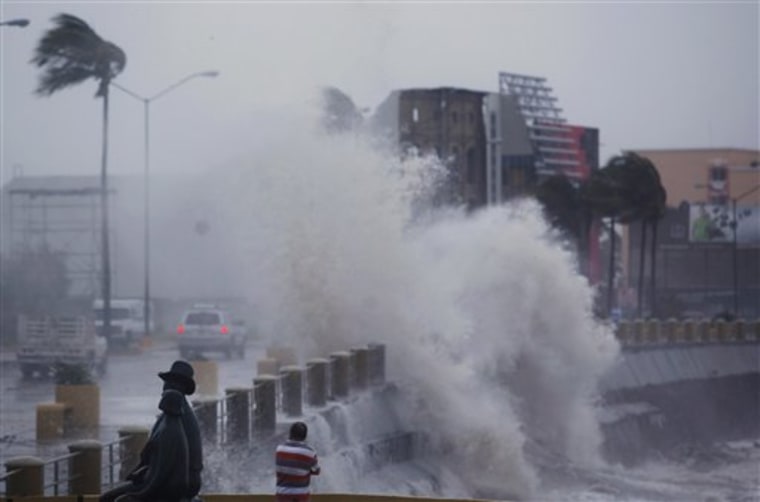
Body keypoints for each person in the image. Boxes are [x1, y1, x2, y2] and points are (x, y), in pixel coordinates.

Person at [100, 360, 203, 502]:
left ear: (182, 388)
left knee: (111, 499)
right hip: (160, 476)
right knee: (108, 497)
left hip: (178, 481)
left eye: (174, 383)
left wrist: (143, 492)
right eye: (168, 381)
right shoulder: (169, 416)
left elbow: (167, 466)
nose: (167, 385)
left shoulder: (178, 419)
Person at [99, 390, 189, 502]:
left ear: (168, 402)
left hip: (165, 488)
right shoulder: (166, 423)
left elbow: (162, 471)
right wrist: (137, 473)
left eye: (164, 397)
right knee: (106, 497)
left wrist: (142, 494)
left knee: (114, 499)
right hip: (149, 479)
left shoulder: (170, 431)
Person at [275, 421, 321, 502]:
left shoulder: (279, 449)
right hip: (301, 495)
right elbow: (316, 471)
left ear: (290, 434)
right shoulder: (310, 452)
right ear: (305, 436)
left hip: (282, 494)